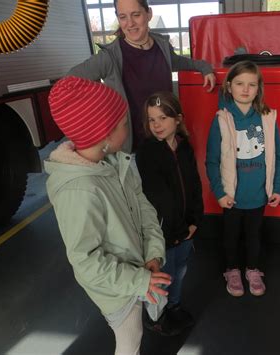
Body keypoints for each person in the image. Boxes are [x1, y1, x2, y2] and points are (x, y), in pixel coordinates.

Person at [44, 76, 171, 355]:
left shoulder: (114, 163)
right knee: (129, 340)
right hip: (116, 290)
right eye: (123, 124)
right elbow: (86, 262)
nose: (130, 127)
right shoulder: (79, 190)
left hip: (137, 271)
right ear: (105, 135)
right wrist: (138, 281)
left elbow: (142, 205)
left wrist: (153, 252)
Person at [68, 0, 216, 153]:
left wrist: (204, 67)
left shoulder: (162, 46)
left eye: (136, 15)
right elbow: (69, 82)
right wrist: (102, 107)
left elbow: (182, 62)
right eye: (123, 17)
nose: (130, 23)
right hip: (134, 151)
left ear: (148, 14)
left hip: (167, 141)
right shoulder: (110, 57)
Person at [205, 60, 280, 297]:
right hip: (231, 197)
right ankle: (232, 270)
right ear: (229, 86)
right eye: (240, 83)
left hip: (259, 195)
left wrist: (277, 188)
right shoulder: (221, 119)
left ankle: (252, 269)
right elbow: (212, 161)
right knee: (230, 237)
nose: (245, 89)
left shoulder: (268, 117)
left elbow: (279, 157)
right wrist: (219, 193)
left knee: (254, 236)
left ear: (258, 88)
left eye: (252, 84)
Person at [136, 91, 203, 335]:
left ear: (177, 119)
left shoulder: (184, 148)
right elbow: (159, 198)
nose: (157, 125)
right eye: (152, 120)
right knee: (163, 275)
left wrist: (195, 220)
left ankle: (173, 307)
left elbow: (195, 185)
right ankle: (157, 317)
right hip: (163, 234)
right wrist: (175, 230)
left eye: (163, 118)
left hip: (186, 229)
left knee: (180, 270)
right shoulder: (148, 152)